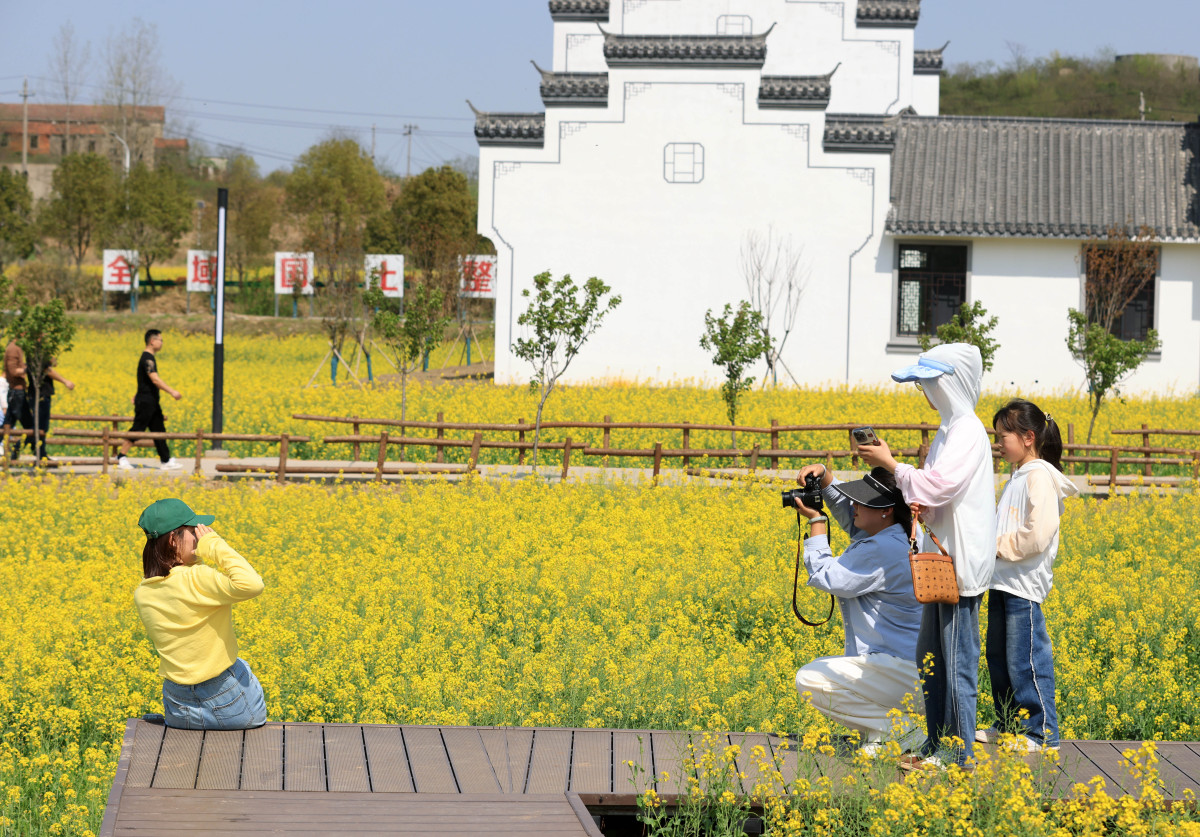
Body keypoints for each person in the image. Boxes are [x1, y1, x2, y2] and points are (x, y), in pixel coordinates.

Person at [858, 343, 996, 768]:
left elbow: (935, 485)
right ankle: (938, 744)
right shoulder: (949, 429)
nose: (924, 389)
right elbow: (937, 495)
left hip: (959, 566)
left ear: (951, 382)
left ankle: (958, 754)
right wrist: (913, 493)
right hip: (941, 565)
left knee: (955, 662)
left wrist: (893, 465)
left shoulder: (967, 430)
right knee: (931, 658)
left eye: (929, 380)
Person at [791, 464, 926, 755]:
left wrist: (817, 522)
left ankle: (906, 732)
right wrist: (824, 477)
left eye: (862, 502)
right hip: (912, 671)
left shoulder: (882, 549)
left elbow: (827, 576)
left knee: (809, 678)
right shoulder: (902, 533)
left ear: (885, 509)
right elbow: (853, 516)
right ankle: (884, 735)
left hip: (900, 673)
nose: (853, 505)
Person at [977, 399, 1077, 752]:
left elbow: (1038, 534)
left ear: (1029, 437)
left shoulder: (1040, 477)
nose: (998, 442)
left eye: (1003, 435)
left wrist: (994, 546)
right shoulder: (1019, 475)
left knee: (1026, 660)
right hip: (1003, 580)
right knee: (999, 659)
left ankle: (1040, 733)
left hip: (1023, 584)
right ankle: (1007, 725)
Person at [134, 498, 267, 730]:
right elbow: (253, 584)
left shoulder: (142, 592)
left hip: (178, 707)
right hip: (232, 706)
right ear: (174, 540)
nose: (199, 536)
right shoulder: (198, 578)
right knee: (242, 667)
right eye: (193, 532)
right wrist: (214, 545)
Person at [117, 329, 182, 471]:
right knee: (138, 429)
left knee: (159, 430)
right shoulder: (148, 358)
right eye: (161, 340)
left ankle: (166, 460)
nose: (162, 343)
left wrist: (137, 393)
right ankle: (121, 457)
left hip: (151, 401)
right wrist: (172, 391)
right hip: (146, 402)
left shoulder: (148, 358)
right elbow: (155, 380)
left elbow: (143, 380)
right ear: (152, 341)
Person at [3, 338, 33, 461]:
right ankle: (16, 450)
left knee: (6, 425)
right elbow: (13, 370)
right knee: (32, 428)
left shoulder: (16, 348)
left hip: (17, 392)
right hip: (17, 393)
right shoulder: (13, 349)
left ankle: (14, 452)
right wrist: (30, 369)